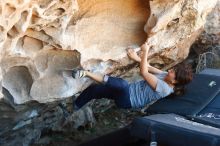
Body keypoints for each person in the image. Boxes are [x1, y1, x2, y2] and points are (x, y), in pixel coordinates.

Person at [72, 43, 193, 110]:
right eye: (173, 69)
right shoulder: (166, 75)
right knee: (95, 90)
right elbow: (149, 67)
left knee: (122, 84)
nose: (171, 70)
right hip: (125, 92)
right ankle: (75, 106)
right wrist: (135, 57)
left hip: (127, 100)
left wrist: (145, 51)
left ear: (175, 81)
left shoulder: (165, 89)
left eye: (174, 72)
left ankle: (85, 73)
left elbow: (145, 72)